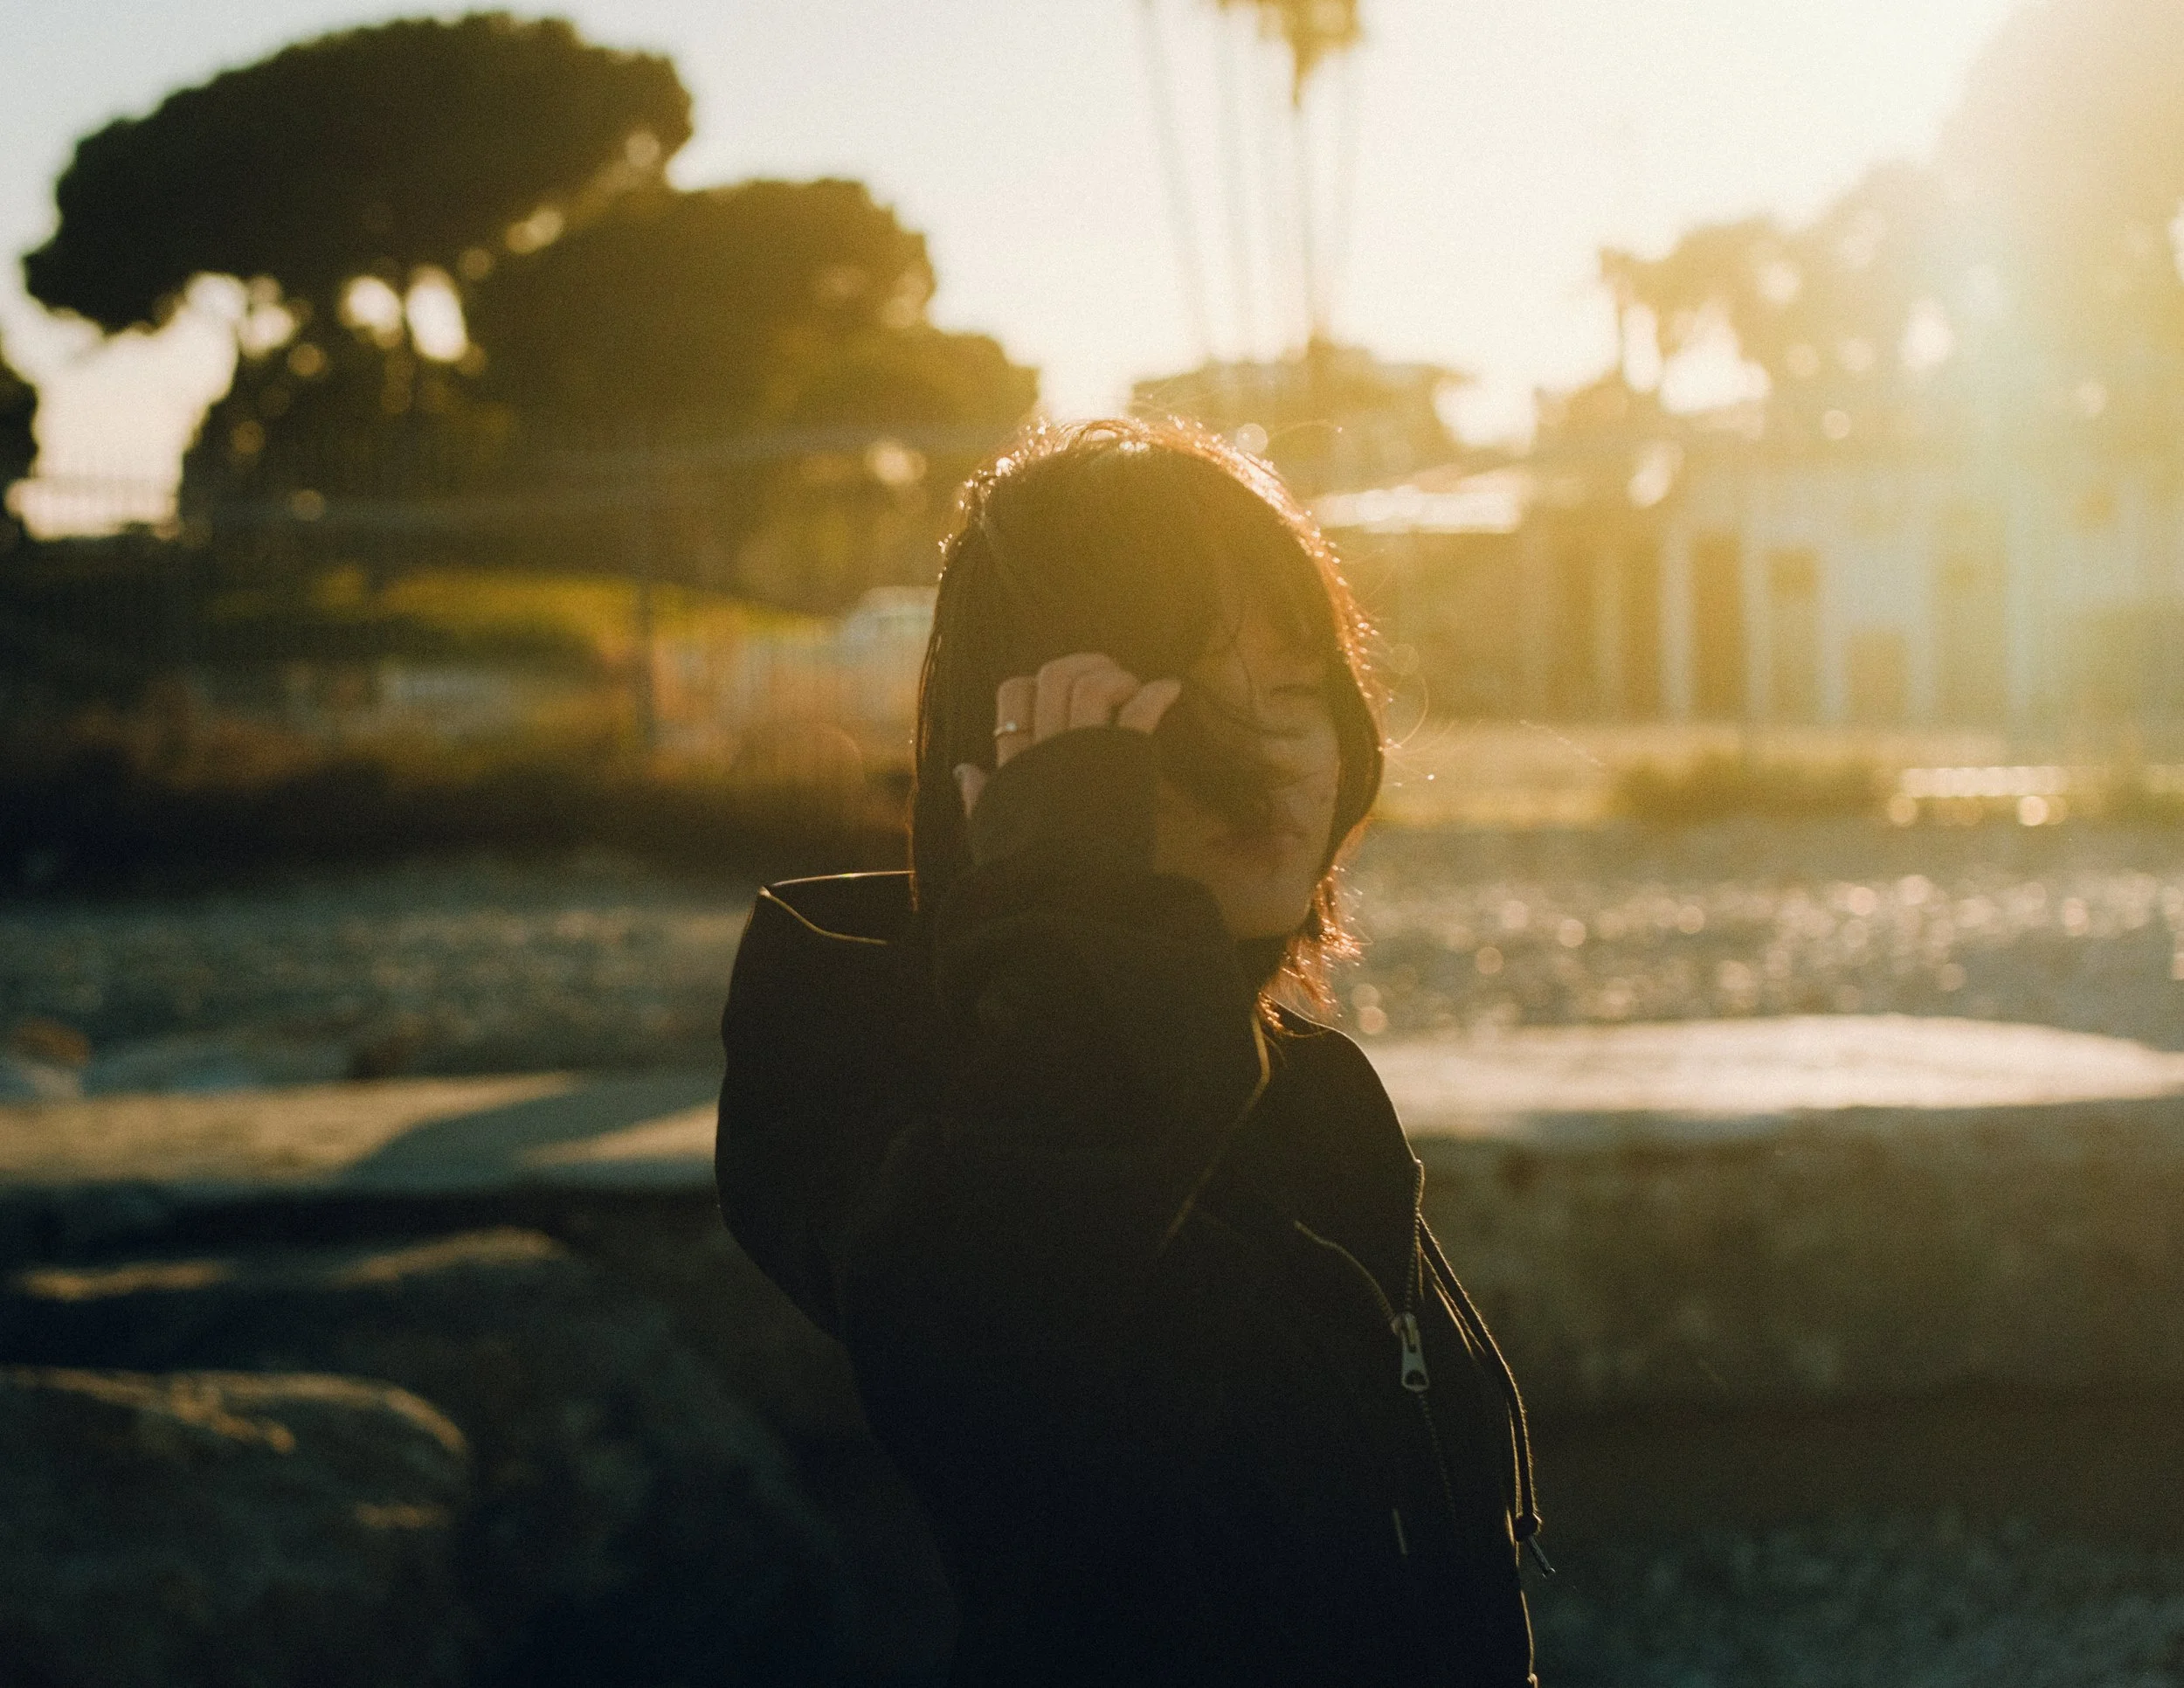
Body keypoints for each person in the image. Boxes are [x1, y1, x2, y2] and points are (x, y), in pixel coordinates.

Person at [716, 417, 1544, 1685]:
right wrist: (1069, 929)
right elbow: (1000, 1350)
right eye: (1190, 701)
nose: (1272, 755)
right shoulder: (890, 1079)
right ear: (1036, 746)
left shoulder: (1307, 1090)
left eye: (1294, 690)